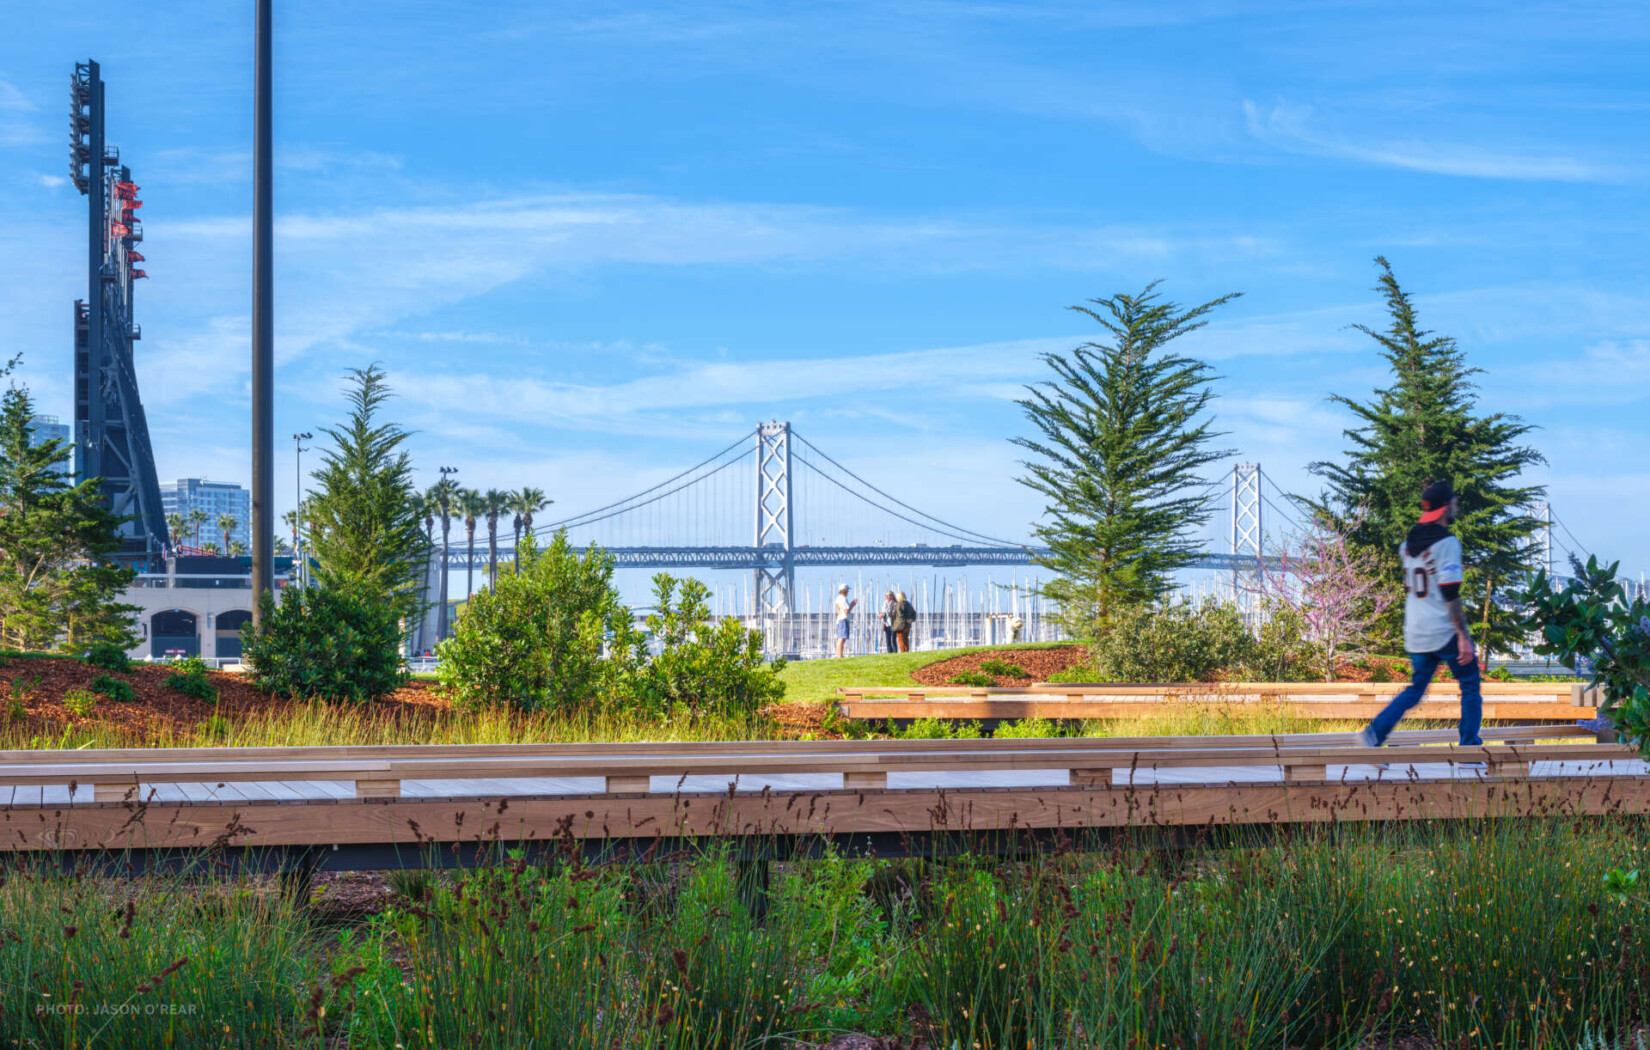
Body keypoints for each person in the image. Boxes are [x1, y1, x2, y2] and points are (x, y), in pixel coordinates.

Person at [1355, 479, 1484, 759]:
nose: (1457, 507)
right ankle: (1470, 749)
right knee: (1471, 683)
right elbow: (1451, 593)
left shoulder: (1406, 546)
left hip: (1416, 630)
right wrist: (1463, 636)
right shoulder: (1447, 544)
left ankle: (1375, 732)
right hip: (1443, 629)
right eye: (1454, 502)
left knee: (1415, 689)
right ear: (1445, 508)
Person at [833, 583, 857, 658]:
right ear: (844, 590)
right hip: (843, 619)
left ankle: (839, 654)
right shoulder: (843, 599)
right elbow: (846, 611)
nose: (848, 592)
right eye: (847, 590)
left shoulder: (838, 598)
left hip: (840, 619)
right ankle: (840, 655)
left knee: (840, 638)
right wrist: (852, 604)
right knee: (842, 638)